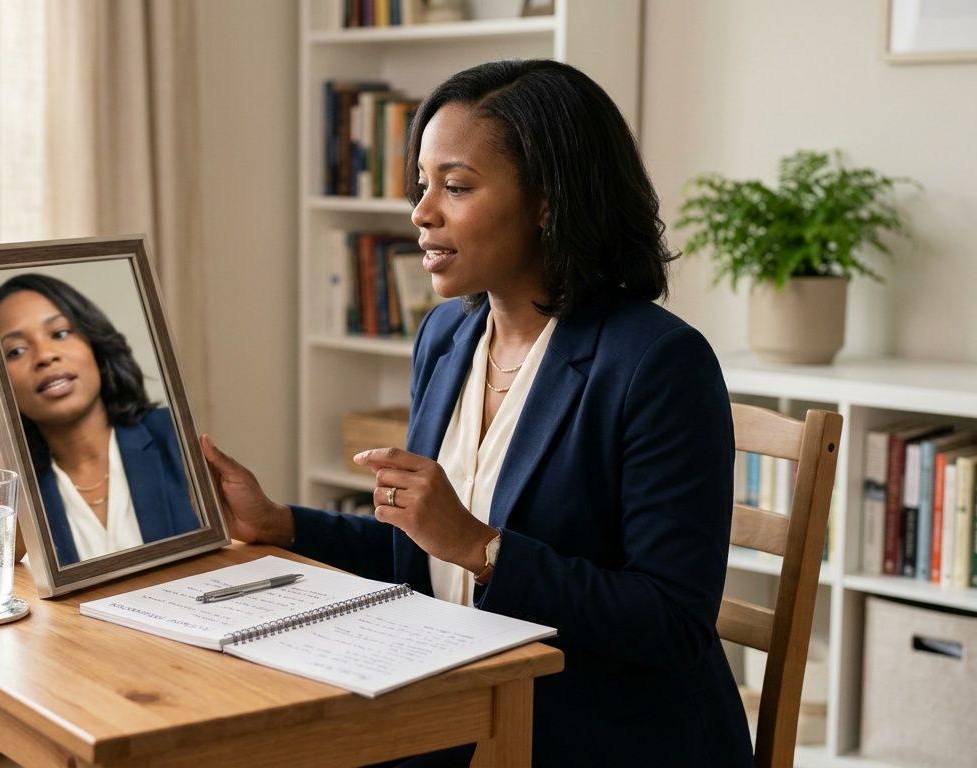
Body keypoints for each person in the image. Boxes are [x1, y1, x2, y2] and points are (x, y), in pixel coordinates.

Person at [200, 59, 753, 767]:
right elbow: (421, 556)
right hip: (461, 694)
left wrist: (484, 550)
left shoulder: (658, 363)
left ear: (549, 200)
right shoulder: (447, 336)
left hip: (599, 725)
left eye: (456, 187)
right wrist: (279, 523)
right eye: (422, 185)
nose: (421, 213)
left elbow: (670, 623)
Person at [0, 273, 199, 566]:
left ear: (95, 345)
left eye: (60, 333)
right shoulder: (17, 487)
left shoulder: (175, 439)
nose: (45, 355)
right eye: (16, 351)